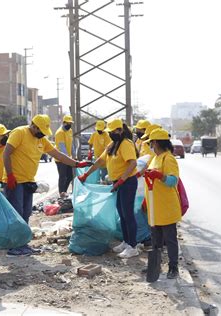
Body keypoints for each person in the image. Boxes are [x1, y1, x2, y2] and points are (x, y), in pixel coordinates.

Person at [3, 114, 91, 257]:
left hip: (28, 181)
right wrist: (10, 175)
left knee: (26, 213)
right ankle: (13, 247)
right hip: (15, 181)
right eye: (41, 131)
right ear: (34, 126)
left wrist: (76, 164)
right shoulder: (19, 133)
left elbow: (58, 155)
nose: (43, 134)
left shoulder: (42, 140)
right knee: (17, 214)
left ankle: (22, 244)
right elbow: (6, 154)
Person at [78, 118, 140, 258]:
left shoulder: (126, 144)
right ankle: (126, 241)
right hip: (118, 183)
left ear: (121, 130)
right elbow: (100, 161)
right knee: (121, 213)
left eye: (113, 131)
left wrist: (122, 180)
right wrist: (86, 174)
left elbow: (132, 163)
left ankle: (133, 246)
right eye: (110, 132)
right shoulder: (113, 144)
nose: (111, 134)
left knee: (128, 214)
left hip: (127, 182)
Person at [143, 128, 182, 279]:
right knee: (156, 240)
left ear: (157, 142)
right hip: (155, 207)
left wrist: (160, 175)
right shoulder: (155, 158)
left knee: (170, 239)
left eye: (152, 142)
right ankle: (156, 266)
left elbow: (173, 181)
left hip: (166, 207)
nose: (151, 145)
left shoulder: (168, 158)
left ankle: (173, 267)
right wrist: (146, 201)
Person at [54, 115, 74, 194]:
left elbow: (71, 144)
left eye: (70, 123)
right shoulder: (60, 133)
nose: (69, 125)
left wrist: (73, 155)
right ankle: (61, 193)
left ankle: (64, 192)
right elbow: (62, 148)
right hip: (61, 159)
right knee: (62, 177)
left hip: (67, 158)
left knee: (70, 176)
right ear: (63, 123)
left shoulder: (70, 131)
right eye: (67, 123)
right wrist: (68, 159)